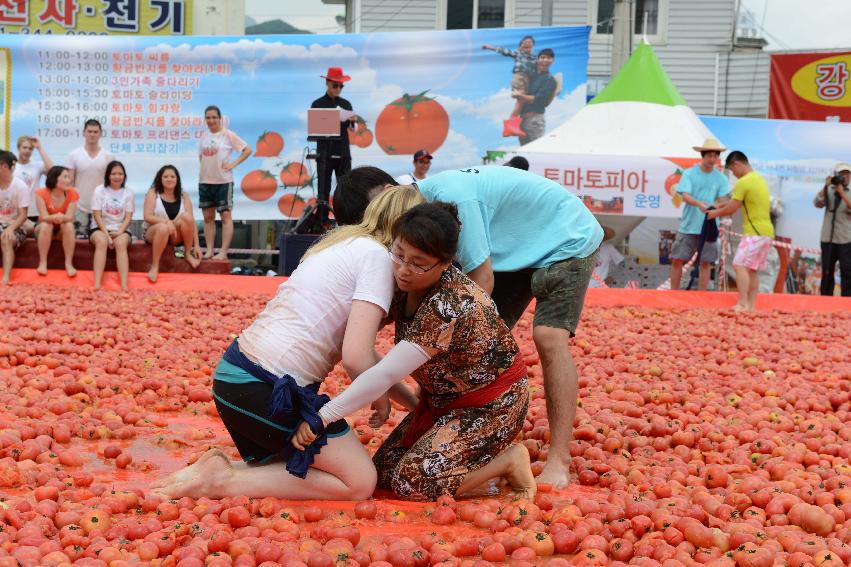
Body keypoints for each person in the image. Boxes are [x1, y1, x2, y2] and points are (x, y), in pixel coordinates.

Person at [334, 165, 604, 488]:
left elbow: (481, 283)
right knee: (470, 343)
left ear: (389, 195)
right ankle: (471, 430)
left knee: (547, 336)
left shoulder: (454, 200)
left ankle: (557, 459)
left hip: (566, 237)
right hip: (512, 252)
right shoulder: (417, 238)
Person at [150, 186, 424, 501]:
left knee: (295, 468)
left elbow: (367, 354)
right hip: (266, 389)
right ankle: (222, 481)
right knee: (359, 481)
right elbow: (356, 357)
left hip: (236, 376)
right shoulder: (377, 257)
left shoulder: (343, 243)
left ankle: (221, 470)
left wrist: (411, 404)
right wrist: (380, 399)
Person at [295, 203, 536, 500]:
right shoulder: (400, 280)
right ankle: (471, 468)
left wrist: (324, 416)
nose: (404, 269)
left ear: (445, 263)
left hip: (491, 406)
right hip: (442, 400)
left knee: (411, 484)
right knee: (382, 473)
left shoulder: (449, 304)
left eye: (418, 263)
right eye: (398, 254)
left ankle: (508, 461)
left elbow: (385, 373)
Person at [708, 151, 774, 311]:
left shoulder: (744, 182)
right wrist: (718, 206)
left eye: (732, 170)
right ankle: (751, 305)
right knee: (752, 269)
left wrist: (714, 213)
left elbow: (732, 207)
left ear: (737, 164)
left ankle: (742, 303)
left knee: (739, 265)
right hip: (767, 232)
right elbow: (733, 201)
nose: (733, 174)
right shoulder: (759, 179)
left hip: (754, 232)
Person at [669, 138, 731, 291]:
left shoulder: (721, 178)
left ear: (718, 157)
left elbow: (725, 199)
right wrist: (699, 204)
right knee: (677, 259)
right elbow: (684, 195)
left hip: (709, 226)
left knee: (706, 263)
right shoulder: (690, 173)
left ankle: (701, 296)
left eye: (715, 156)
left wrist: (715, 206)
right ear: (702, 156)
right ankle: (673, 293)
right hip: (689, 225)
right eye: (709, 155)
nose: (712, 159)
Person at [199, 105, 252, 261]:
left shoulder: (228, 135)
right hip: (205, 181)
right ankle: (209, 251)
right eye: (208, 117)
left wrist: (232, 165)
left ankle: (223, 252)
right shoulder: (203, 136)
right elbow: (201, 158)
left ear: (220, 119)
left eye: (214, 117)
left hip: (223, 181)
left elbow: (247, 150)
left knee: (225, 216)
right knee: (208, 217)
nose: (211, 120)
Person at [144, 165, 202, 282]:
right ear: (160, 179)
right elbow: (147, 216)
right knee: (163, 227)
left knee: (186, 216)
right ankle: (155, 266)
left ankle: (187, 254)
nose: (169, 179)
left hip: (175, 235)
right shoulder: (153, 192)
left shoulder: (184, 195)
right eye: (165, 176)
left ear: (177, 179)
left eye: (172, 176)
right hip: (154, 232)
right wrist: (167, 222)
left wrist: (196, 245)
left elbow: (191, 221)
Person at [311, 67, 355, 204]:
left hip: (343, 151)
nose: (338, 89)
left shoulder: (346, 103)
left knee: (345, 189)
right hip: (324, 152)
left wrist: (353, 121)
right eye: (335, 85)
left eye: (340, 86)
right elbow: (314, 129)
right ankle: (321, 220)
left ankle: (345, 220)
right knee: (323, 189)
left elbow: (353, 130)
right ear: (327, 83)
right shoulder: (317, 104)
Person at [90, 161, 134, 291]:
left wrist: (120, 232)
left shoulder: (128, 193)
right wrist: (106, 234)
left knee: (120, 244)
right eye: (113, 173)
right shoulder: (99, 190)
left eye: (120, 173)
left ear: (124, 176)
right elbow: (97, 215)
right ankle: (97, 283)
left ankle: (124, 284)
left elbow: (128, 216)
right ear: (108, 175)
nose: (117, 176)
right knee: (101, 241)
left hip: (121, 229)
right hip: (100, 228)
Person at [68, 119, 115, 238]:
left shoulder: (109, 156)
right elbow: (69, 184)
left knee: (101, 240)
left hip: (102, 208)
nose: (92, 134)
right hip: (79, 207)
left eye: (95, 132)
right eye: (89, 131)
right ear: (84, 133)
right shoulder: (74, 155)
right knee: (78, 242)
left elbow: (113, 184)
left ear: (100, 134)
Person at [482, 36, 536, 136]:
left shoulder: (535, 58)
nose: (527, 43)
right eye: (525, 42)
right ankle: (509, 128)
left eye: (530, 42)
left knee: (522, 103)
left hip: (529, 80)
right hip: (519, 77)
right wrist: (490, 47)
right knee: (520, 102)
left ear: (533, 46)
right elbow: (504, 51)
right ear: (520, 46)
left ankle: (510, 129)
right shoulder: (518, 54)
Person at [814, 162, 851, 296]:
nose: (844, 176)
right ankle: (825, 300)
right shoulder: (829, 189)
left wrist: (842, 194)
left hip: (845, 238)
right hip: (827, 237)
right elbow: (817, 203)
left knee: (847, 271)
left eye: (847, 174)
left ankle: (847, 301)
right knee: (827, 271)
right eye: (841, 174)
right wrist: (825, 187)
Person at [34, 166, 79, 277]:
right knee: (46, 225)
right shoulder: (40, 192)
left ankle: (68, 264)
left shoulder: (72, 193)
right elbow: (44, 216)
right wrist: (55, 216)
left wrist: (61, 217)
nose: (69, 180)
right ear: (54, 178)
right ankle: (42, 263)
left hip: (61, 231)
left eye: (69, 177)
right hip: (43, 228)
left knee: (68, 225)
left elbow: (69, 217)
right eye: (65, 177)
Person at [515, 49, 557, 146]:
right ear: (538, 59)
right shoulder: (530, 75)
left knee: (535, 149)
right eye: (543, 57)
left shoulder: (550, 80)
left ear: (552, 61)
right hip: (522, 120)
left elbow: (539, 100)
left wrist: (521, 96)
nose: (545, 60)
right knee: (523, 150)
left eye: (549, 58)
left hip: (534, 121)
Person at [14, 135, 54, 235]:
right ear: (18, 148)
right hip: (16, 214)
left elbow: (53, 171)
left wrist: (39, 148)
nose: (27, 151)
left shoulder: (37, 165)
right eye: (24, 147)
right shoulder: (12, 166)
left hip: (34, 212)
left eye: (30, 149)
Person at [0, 151, 29, 286]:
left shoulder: (20, 186)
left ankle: (5, 278)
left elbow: (23, 215)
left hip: (16, 226)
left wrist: (11, 228)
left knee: (6, 239)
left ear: (3, 166)